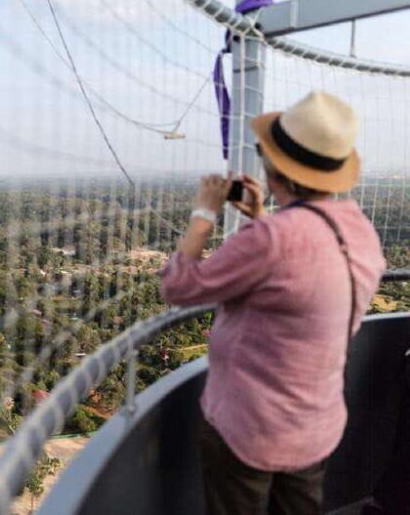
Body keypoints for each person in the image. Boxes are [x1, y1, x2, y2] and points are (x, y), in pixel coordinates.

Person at [159, 91, 386, 515]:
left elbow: (179, 286)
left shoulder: (272, 240)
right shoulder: (359, 230)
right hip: (314, 424)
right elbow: (304, 271)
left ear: (274, 165)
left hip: (250, 428)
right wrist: (264, 217)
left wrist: (204, 213)